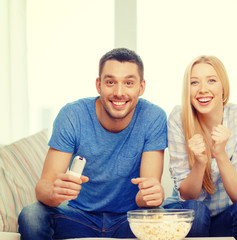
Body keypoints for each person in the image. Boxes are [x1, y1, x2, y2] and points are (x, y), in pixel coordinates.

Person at [18, 48, 168, 239]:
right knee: (32, 215)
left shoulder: (153, 117)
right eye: (110, 82)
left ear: (141, 87)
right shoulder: (72, 115)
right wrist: (54, 193)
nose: (119, 92)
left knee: (168, 219)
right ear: (98, 85)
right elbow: (43, 186)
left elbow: (146, 193)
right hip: (78, 217)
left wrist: (151, 196)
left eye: (129, 83)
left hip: (130, 220)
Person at [163, 55, 237, 240]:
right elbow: (187, 195)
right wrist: (200, 162)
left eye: (211, 81)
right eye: (194, 83)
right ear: (188, 89)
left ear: (223, 87)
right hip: (188, 209)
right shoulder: (179, 117)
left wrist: (220, 154)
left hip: (225, 215)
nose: (203, 89)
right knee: (196, 210)